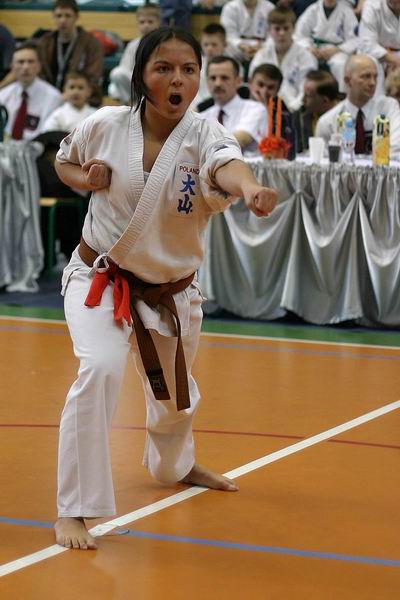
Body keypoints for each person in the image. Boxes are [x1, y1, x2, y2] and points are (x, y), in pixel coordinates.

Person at [53, 26, 277, 550]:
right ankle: (75, 508)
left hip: (170, 293)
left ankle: (176, 466)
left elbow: (227, 166)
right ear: (141, 76)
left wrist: (250, 188)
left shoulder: (206, 134)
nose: (178, 80)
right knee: (100, 368)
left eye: (187, 70)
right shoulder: (105, 124)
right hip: (99, 279)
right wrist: (85, 180)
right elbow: (63, 160)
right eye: (164, 69)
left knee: (175, 399)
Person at [315, 54, 400, 155]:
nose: (372, 83)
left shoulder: (388, 107)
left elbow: (395, 148)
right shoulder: (327, 122)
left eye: (375, 77)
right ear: (348, 80)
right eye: (366, 76)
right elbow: (323, 160)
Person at [249, 7, 318, 111]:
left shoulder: (306, 57)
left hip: (293, 108)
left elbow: (306, 91)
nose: (282, 33)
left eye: (286, 28)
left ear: (293, 29)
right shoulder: (262, 55)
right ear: (269, 31)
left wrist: (293, 108)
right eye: (277, 29)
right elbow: (254, 86)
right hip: (263, 106)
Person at [37, 0, 103, 106]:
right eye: (59, 16)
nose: (63, 20)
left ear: (76, 17)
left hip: (81, 100)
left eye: (68, 16)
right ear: (53, 17)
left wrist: (72, 93)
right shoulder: (45, 42)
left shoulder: (91, 43)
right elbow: (40, 73)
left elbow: (93, 76)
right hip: (48, 99)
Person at [201, 55, 268, 155]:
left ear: (238, 81)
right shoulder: (202, 118)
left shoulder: (255, 109)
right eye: (213, 78)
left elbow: (238, 140)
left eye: (224, 78)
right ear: (207, 82)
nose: (217, 83)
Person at [0, 41, 61, 140]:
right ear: (12, 67)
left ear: (39, 66)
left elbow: (49, 134)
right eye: (20, 62)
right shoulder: (3, 95)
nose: (25, 67)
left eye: (30, 61)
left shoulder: (53, 97)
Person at [293, 0, 358, 92]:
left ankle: (341, 94)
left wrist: (338, 49)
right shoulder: (312, 10)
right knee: (307, 60)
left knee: (340, 64)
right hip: (314, 48)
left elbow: (355, 40)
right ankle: (304, 93)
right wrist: (309, 48)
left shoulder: (347, 12)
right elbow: (299, 35)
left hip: (337, 50)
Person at [108, 3, 161, 104]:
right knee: (115, 78)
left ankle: (138, 103)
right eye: (142, 22)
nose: (146, 25)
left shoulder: (163, 44)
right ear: (138, 24)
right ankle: (133, 103)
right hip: (135, 85)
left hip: (155, 84)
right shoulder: (133, 45)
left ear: (158, 22)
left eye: (150, 22)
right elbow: (124, 69)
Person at [293, 69, 339, 153]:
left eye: (308, 96)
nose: (303, 100)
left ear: (325, 100)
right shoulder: (299, 117)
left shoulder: (346, 117)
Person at [220, 0, 275, 65]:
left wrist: (263, 46)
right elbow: (229, 35)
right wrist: (242, 46)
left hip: (262, 48)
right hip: (237, 49)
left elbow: (273, 35)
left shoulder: (269, 7)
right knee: (226, 48)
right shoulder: (230, 7)